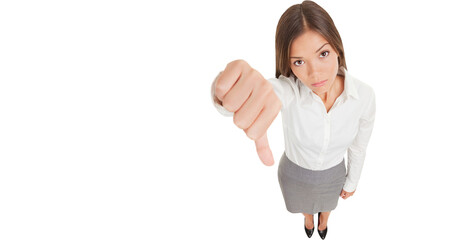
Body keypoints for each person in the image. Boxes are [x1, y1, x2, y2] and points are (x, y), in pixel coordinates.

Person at [210, 1, 376, 239]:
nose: (315, 73)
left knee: (328, 204)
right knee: (302, 206)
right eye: (299, 61)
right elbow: (268, 91)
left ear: (337, 48)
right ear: (288, 64)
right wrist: (225, 92)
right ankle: (308, 219)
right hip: (294, 174)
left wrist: (352, 181)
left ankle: (323, 222)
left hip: (334, 174)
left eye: (323, 54)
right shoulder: (289, 92)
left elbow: (359, 146)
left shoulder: (365, 96)